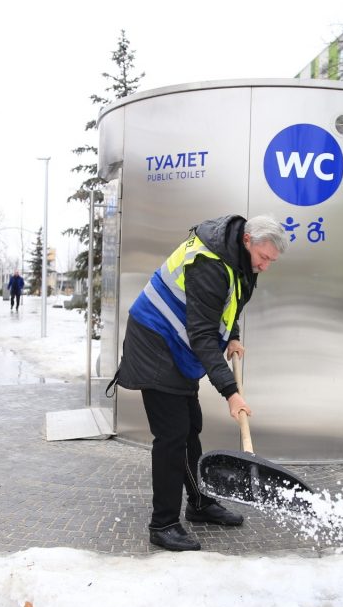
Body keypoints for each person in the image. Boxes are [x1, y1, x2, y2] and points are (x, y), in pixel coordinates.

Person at [113, 214, 288, 552]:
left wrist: (233, 336)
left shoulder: (241, 260)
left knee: (191, 424)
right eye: (263, 258)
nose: (265, 266)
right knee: (172, 436)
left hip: (177, 344)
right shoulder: (209, 262)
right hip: (155, 341)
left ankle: (199, 503)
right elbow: (203, 335)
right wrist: (230, 392)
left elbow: (228, 305)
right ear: (248, 240)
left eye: (271, 262)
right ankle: (162, 524)